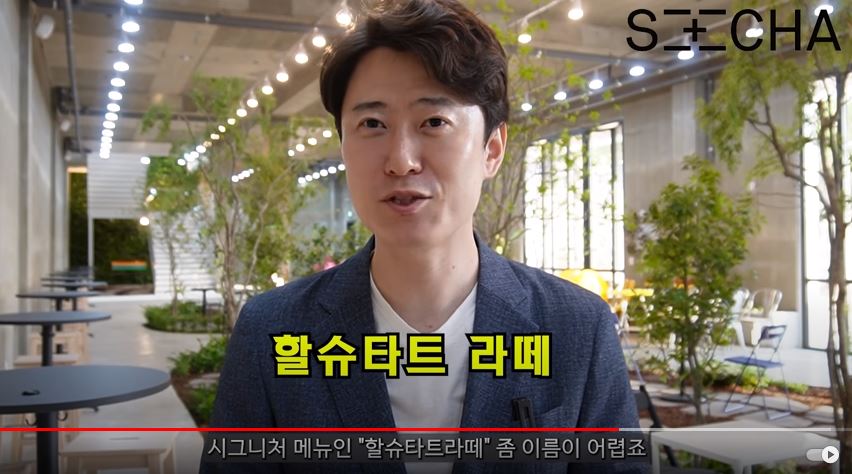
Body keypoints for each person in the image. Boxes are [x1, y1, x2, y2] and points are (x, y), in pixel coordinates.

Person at [203, 1, 642, 473]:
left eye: (434, 122)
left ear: (492, 150)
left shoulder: (576, 329)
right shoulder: (272, 332)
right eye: (372, 124)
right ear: (344, 147)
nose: (401, 160)